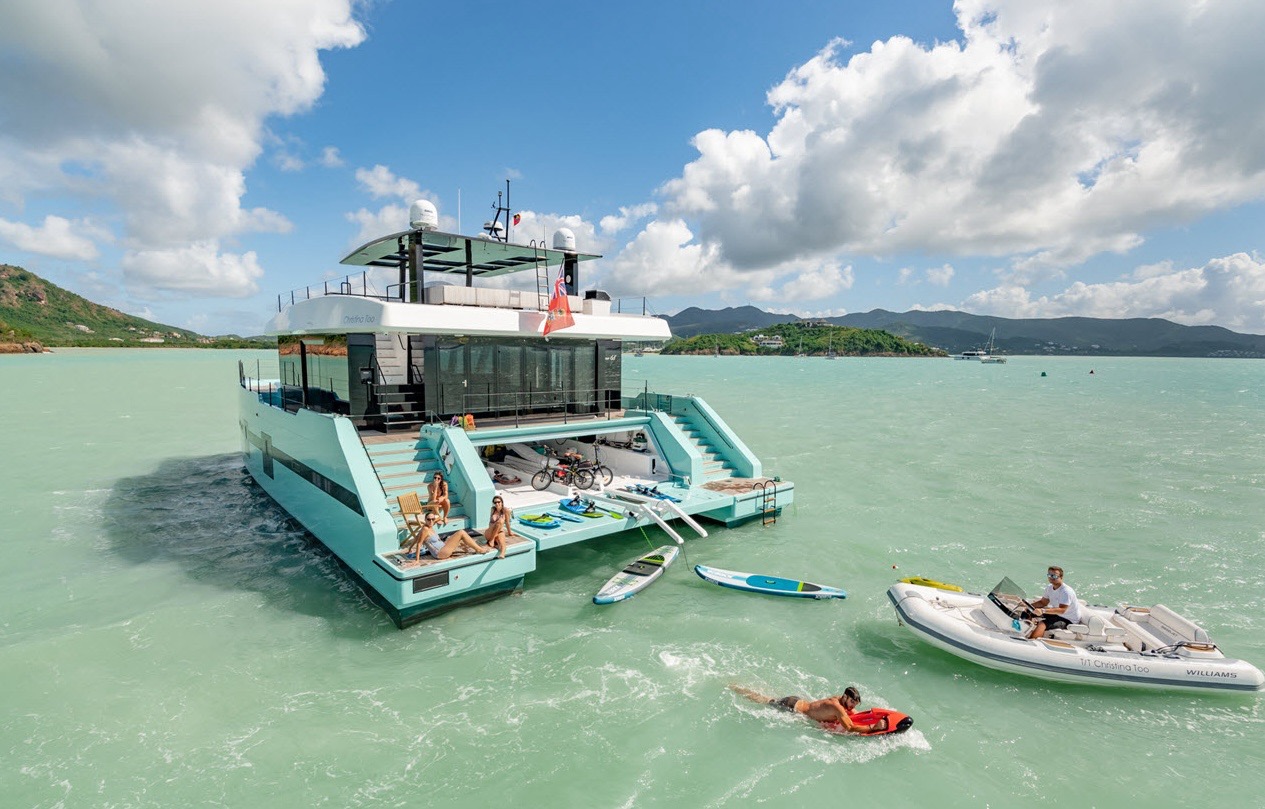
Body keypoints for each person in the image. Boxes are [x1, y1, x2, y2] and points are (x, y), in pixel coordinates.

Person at [729, 684, 888, 733]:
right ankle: (738, 689)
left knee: (767, 698)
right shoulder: (837, 707)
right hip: (792, 707)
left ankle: (741, 688)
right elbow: (850, 727)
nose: (853, 707)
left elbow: (851, 714)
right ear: (845, 698)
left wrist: (864, 716)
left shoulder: (839, 700)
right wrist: (872, 728)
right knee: (763, 701)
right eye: (852, 703)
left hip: (797, 701)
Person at [1026, 565, 1081, 639]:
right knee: (1028, 612)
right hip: (1057, 614)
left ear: (1061, 577)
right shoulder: (1049, 587)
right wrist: (1028, 606)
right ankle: (1024, 632)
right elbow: (1043, 602)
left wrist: (1042, 611)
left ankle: (1032, 641)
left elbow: (1062, 610)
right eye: (1049, 575)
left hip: (1068, 619)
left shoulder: (1066, 591)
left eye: (1054, 576)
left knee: (1042, 624)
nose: (1051, 577)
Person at [407, 512, 489, 561]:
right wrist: (417, 560)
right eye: (428, 519)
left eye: (432, 519)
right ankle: (479, 549)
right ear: (425, 520)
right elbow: (419, 543)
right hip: (440, 553)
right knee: (461, 532)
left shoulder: (427, 527)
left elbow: (416, 538)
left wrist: (410, 548)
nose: (431, 521)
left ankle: (474, 547)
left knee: (456, 537)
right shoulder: (425, 529)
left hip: (443, 547)